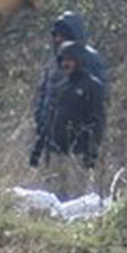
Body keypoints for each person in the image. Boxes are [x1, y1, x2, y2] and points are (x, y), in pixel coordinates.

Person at [29, 41, 106, 200]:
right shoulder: (58, 86)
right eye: (63, 60)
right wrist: (38, 150)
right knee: (52, 198)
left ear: (79, 61)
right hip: (54, 152)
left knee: (75, 200)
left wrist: (91, 153)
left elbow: (98, 122)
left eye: (70, 60)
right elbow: (48, 119)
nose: (66, 64)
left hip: (77, 154)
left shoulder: (92, 86)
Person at [32, 11, 108, 150]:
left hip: (77, 147)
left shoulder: (90, 59)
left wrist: (90, 143)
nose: (57, 39)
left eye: (63, 34)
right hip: (49, 145)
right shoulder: (54, 61)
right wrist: (40, 125)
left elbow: (97, 103)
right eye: (55, 34)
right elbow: (43, 96)